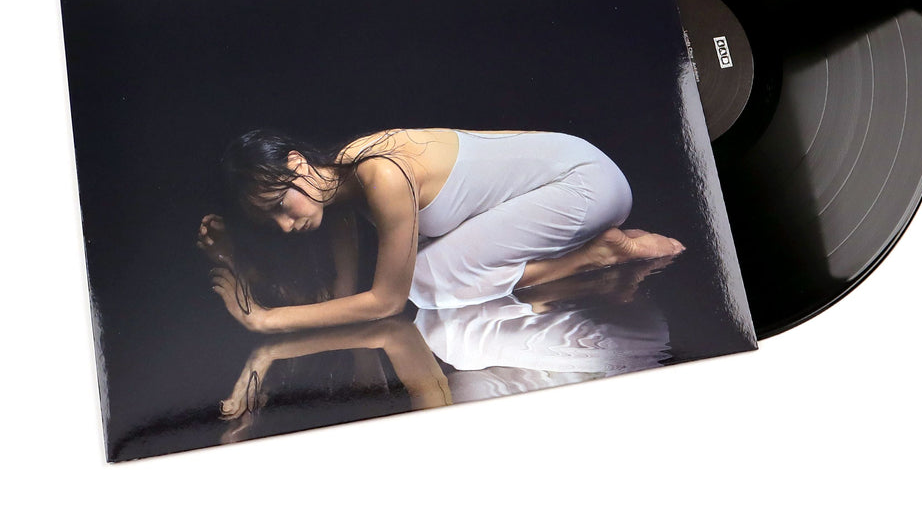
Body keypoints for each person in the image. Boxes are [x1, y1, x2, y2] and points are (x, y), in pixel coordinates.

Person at [197, 128, 683, 334]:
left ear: (298, 164)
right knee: (428, 270)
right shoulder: (340, 182)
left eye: (281, 206)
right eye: (270, 221)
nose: (285, 226)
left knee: (424, 280)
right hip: (570, 175)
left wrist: (264, 320)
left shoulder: (381, 174)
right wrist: (232, 254)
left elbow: (385, 301)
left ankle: (596, 254)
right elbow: (346, 289)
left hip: (585, 184)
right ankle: (586, 249)